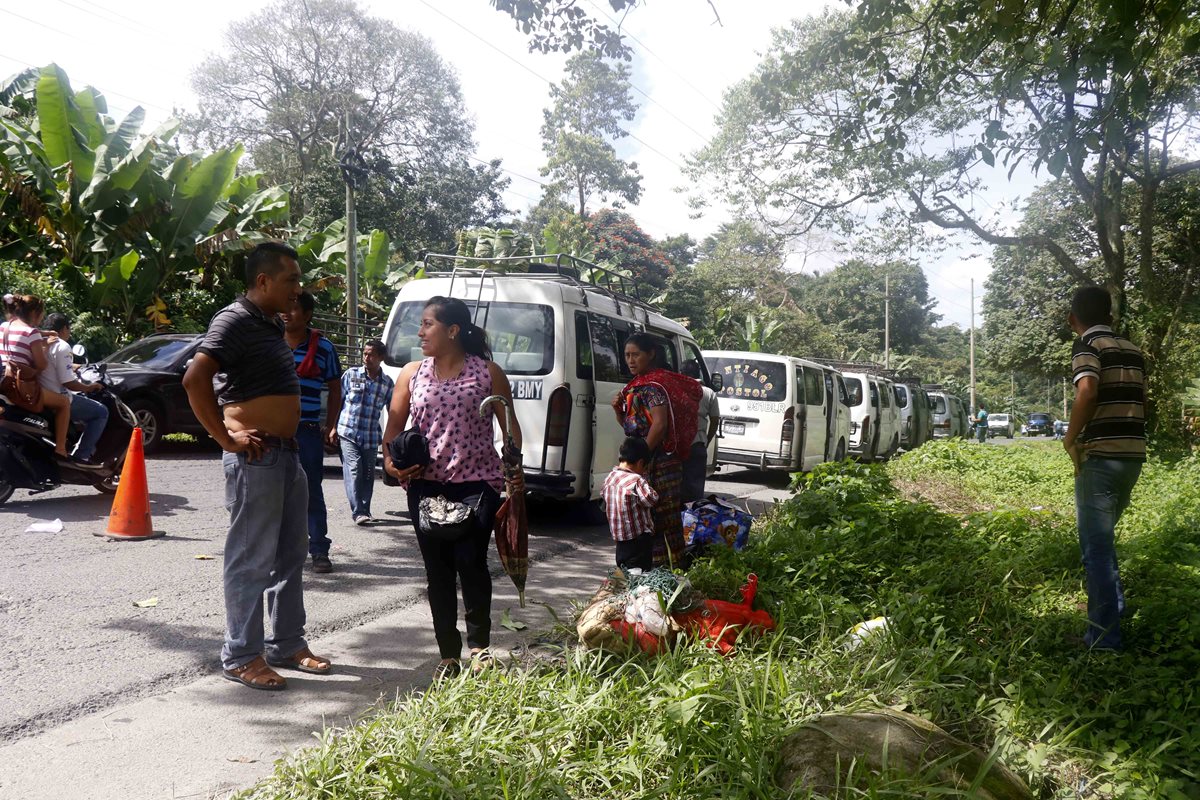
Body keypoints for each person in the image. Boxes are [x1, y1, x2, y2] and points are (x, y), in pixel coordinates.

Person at [183, 241, 332, 691]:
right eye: (291, 280)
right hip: (257, 457)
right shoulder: (234, 319)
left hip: (286, 456)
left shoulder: (268, 324)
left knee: (289, 555)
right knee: (251, 559)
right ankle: (241, 655)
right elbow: (195, 378)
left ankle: (286, 643)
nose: (298, 289)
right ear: (263, 281)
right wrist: (226, 438)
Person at [382, 296, 524, 679]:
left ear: (453, 330)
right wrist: (392, 465)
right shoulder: (411, 373)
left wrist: (514, 463)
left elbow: (511, 429)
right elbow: (393, 429)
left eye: (428, 324)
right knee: (437, 571)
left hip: (478, 484)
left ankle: (478, 648)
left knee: (471, 564)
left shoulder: (488, 372)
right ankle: (448, 653)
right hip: (425, 486)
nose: (421, 331)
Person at [1063, 285, 1146, 651]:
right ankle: (1114, 611)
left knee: (1095, 549)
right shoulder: (1132, 350)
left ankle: (1103, 638)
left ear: (1072, 319)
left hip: (1100, 456)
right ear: (1110, 317)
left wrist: (1070, 438)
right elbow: (1140, 400)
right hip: (1132, 456)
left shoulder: (1086, 346)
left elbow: (1088, 392)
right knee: (1104, 542)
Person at [611, 332, 700, 569]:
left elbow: (659, 425)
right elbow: (635, 428)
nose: (630, 360)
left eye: (636, 355)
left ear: (650, 354)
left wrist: (642, 457)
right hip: (647, 460)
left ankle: (666, 576)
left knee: (660, 519)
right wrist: (619, 413)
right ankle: (653, 573)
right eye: (627, 355)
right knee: (647, 519)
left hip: (660, 463)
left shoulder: (653, 388)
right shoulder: (637, 386)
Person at [282, 292, 343, 574]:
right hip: (274, 429)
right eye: (285, 308)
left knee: (310, 491)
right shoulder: (270, 343)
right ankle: (278, 550)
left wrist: (331, 425)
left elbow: (334, 388)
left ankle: (319, 549)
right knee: (273, 491)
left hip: (306, 431)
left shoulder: (325, 348)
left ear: (307, 315)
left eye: (293, 309)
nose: (286, 313)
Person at [0, 293, 72, 456]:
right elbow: (41, 364)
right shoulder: (31, 333)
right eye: (42, 315)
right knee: (64, 403)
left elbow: (22, 335)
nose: (42, 318)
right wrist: (44, 346)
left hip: (4, 381)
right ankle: (61, 448)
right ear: (34, 314)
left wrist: (44, 334)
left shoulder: (5, 326)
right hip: (21, 386)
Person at [337, 339, 394, 525]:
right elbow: (338, 401)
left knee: (368, 473)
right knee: (354, 469)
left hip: (370, 436)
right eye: (365, 353)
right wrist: (331, 428)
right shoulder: (351, 375)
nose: (366, 357)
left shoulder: (386, 383)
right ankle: (358, 512)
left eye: (371, 354)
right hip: (348, 432)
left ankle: (365, 509)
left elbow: (392, 410)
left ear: (381, 358)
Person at [39, 313, 109, 463]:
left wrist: (76, 366)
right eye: (69, 329)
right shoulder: (62, 346)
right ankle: (81, 455)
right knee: (101, 412)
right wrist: (89, 387)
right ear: (64, 329)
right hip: (57, 397)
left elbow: (53, 366)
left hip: (39, 394)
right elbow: (68, 383)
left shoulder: (39, 343)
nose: (69, 333)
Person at [602, 436, 659, 571]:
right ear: (640, 463)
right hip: (638, 542)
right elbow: (651, 499)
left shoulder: (610, 478)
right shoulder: (636, 480)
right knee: (639, 578)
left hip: (620, 542)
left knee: (625, 573)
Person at [680, 360, 719, 502]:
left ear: (681, 373)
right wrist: (707, 439)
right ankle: (692, 520)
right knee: (695, 491)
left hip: (676, 446)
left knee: (676, 487)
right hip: (697, 445)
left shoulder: (676, 389)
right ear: (698, 373)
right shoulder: (709, 393)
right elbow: (715, 420)